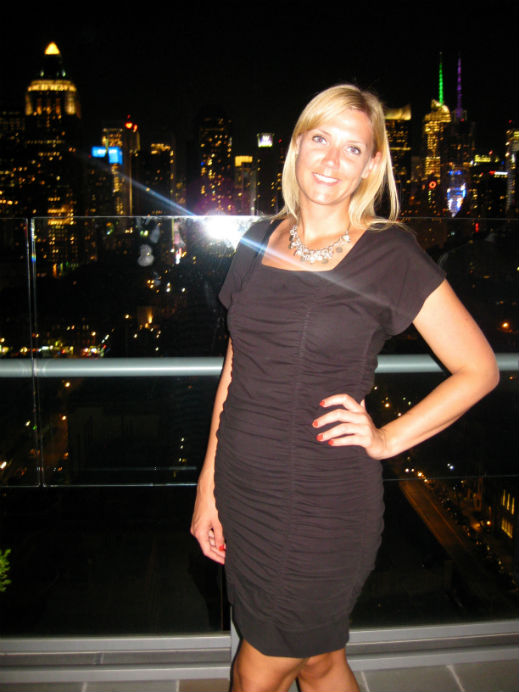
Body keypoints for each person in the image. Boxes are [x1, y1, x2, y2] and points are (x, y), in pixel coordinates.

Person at [191, 84, 499, 692]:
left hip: (322, 499)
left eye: (352, 148)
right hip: (245, 491)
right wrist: (208, 489)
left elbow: (479, 369)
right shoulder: (259, 239)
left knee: (256, 670)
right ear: (296, 148)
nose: (331, 161)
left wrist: (386, 439)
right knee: (318, 662)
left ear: (372, 164)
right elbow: (236, 368)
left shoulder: (389, 253)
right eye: (320, 140)